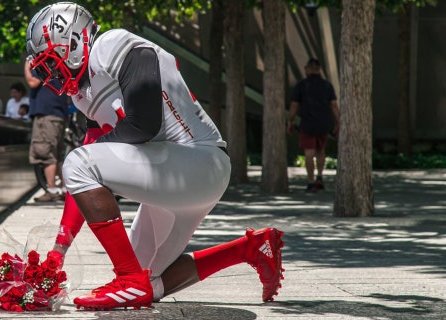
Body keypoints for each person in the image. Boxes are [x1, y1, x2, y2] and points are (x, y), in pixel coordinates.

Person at [25, 2, 284, 311]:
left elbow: (142, 124)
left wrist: (89, 160)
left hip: (198, 161)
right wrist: (58, 251)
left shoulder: (110, 45)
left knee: (79, 162)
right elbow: (84, 177)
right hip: (178, 176)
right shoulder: (83, 96)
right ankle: (251, 248)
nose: (51, 74)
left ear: (74, 43)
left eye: (51, 63)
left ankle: (128, 278)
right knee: (150, 284)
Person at [287, 58, 340, 192]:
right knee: (321, 151)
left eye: (306, 68)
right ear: (319, 69)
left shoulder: (301, 85)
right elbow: (333, 105)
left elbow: (294, 105)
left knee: (309, 152)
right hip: (323, 123)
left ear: (309, 69)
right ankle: (320, 176)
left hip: (307, 123)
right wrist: (338, 122)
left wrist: (290, 120)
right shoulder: (327, 85)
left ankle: (311, 182)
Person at [24, 59, 69, 202]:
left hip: (47, 116)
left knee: (46, 152)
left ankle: (52, 190)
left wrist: (27, 66)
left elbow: (32, 82)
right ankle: (64, 189)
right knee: (58, 154)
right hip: (59, 115)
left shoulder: (43, 65)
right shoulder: (58, 65)